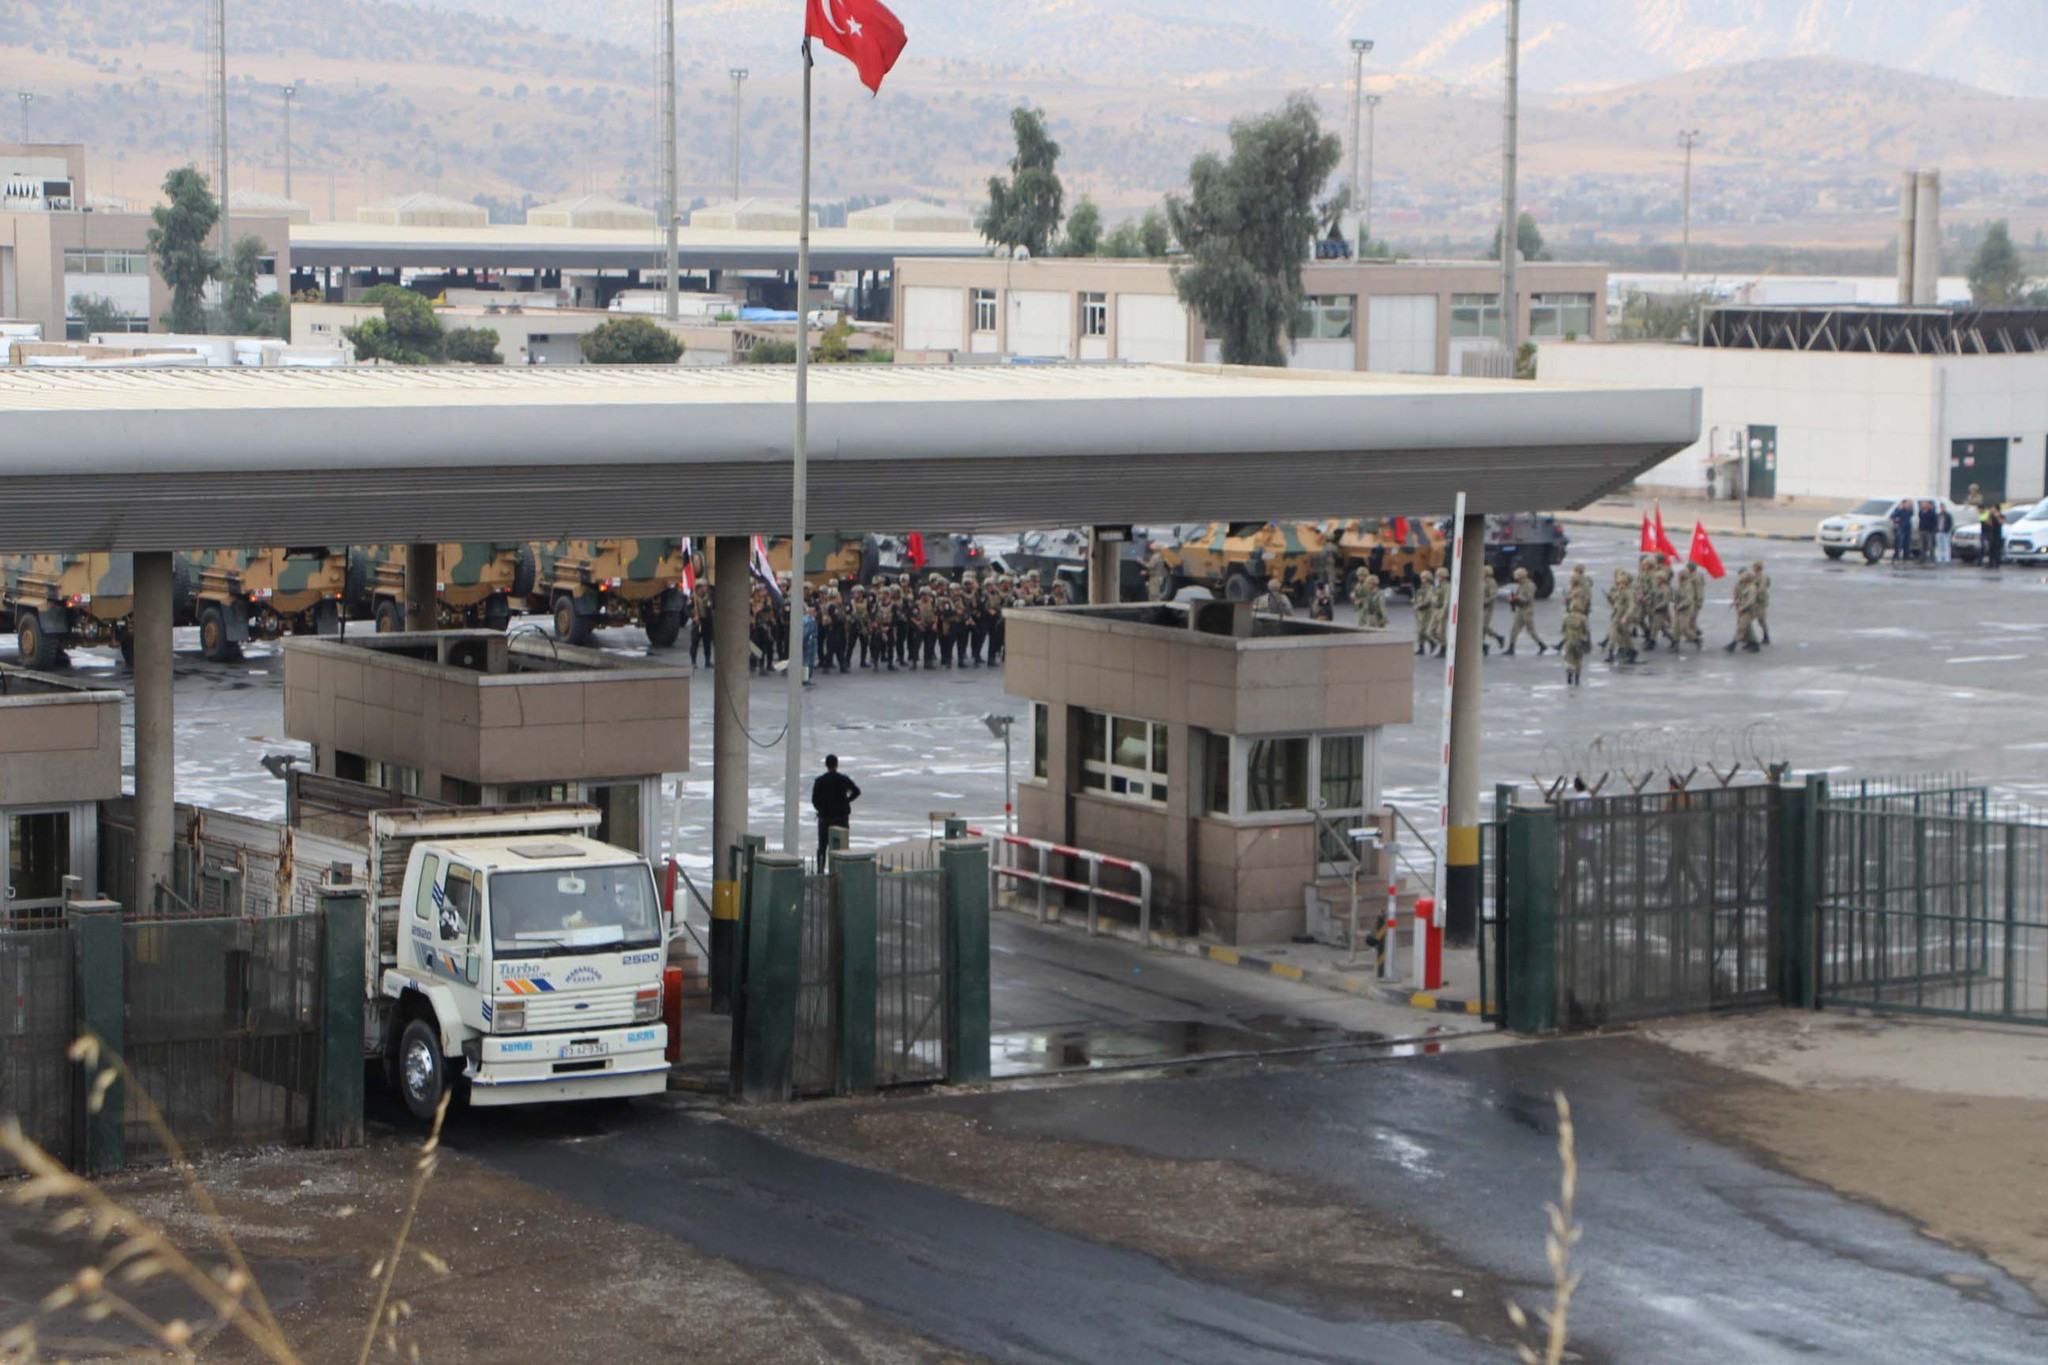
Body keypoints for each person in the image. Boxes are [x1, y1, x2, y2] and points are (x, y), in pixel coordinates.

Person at [809, 754, 861, 873]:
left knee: (822, 847)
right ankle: (841, 872)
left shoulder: (820, 781)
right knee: (842, 847)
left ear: (826, 765)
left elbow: (814, 800)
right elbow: (857, 791)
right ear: (836, 765)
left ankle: (820, 871)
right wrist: (847, 801)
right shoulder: (843, 779)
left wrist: (821, 809)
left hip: (825, 819)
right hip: (841, 818)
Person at [1506, 567, 1551, 655]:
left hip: (1527, 610)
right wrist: (1513, 599)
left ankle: (1541, 645)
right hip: (1520, 609)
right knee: (1514, 629)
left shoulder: (1530, 585)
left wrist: (1518, 598)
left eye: (1518, 578)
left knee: (1531, 630)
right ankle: (1511, 647)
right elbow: (1518, 595)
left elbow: (1529, 598)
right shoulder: (1521, 586)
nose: (1518, 581)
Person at [1560, 603, 1590, 686]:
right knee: (1578, 659)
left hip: (1569, 640)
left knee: (1568, 657)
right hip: (1579, 640)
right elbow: (1586, 630)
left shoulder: (1566, 617)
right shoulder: (1583, 618)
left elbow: (1562, 629)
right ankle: (1577, 677)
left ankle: (1569, 670)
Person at [1750, 561, 1772, 645]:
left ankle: (1766, 636)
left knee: (1761, 619)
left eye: (1754, 567)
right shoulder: (1754, 577)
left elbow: (1762, 589)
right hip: (1755, 601)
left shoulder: (1762, 578)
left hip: (1760, 601)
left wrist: (1753, 592)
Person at [1890, 499, 1914, 564]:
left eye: (1909, 504)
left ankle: (1906, 557)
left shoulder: (1910, 510)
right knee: (1899, 543)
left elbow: (1912, 514)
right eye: (1907, 504)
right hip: (1901, 528)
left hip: (1908, 528)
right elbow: (1892, 516)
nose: (1909, 505)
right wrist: (1896, 519)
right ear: (1903, 504)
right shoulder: (1900, 510)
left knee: (1907, 543)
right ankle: (1896, 557)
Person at [1917, 500, 1939, 567]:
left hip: (1930, 531)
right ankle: (1922, 558)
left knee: (1930, 545)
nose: (1924, 505)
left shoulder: (1932, 512)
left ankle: (1931, 558)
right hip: (1922, 530)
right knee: (1922, 545)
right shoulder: (1921, 511)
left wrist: (1934, 530)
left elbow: (1935, 521)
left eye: (1925, 504)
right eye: (1923, 504)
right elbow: (1920, 517)